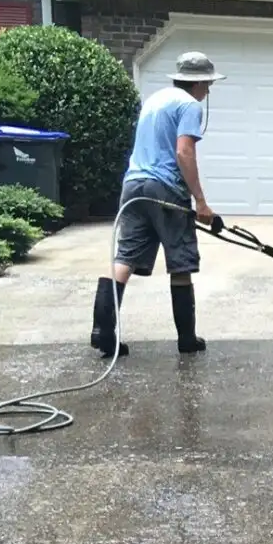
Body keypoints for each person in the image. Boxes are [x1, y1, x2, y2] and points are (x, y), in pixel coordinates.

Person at [90, 51, 224, 358]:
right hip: (165, 188)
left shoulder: (155, 100)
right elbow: (184, 153)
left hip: (133, 185)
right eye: (208, 83)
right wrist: (201, 203)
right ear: (198, 81)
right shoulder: (189, 105)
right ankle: (187, 339)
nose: (209, 90)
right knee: (181, 262)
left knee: (125, 257)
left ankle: (102, 331)